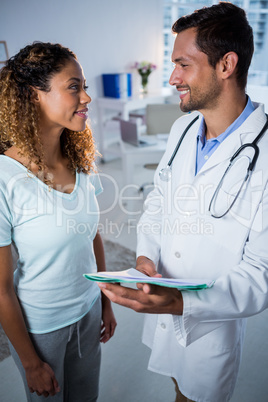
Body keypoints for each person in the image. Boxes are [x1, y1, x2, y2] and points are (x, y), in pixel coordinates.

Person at [98, 3, 268, 402]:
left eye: (183, 65)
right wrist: (145, 258)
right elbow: (159, 201)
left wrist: (181, 301)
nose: (172, 77)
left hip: (210, 324)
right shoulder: (183, 128)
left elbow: (261, 274)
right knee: (176, 386)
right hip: (163, 301)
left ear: (226, 65)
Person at [0, 42, 117, 401]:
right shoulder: (5, 178)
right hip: (42, 327)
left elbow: (90, 234)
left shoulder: (80, 160)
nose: (87, 97)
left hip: (88, 310)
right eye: (74, 87)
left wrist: (105, 298)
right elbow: (1, 287)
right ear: (35, 95)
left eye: (84, 86)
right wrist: (31, 361)